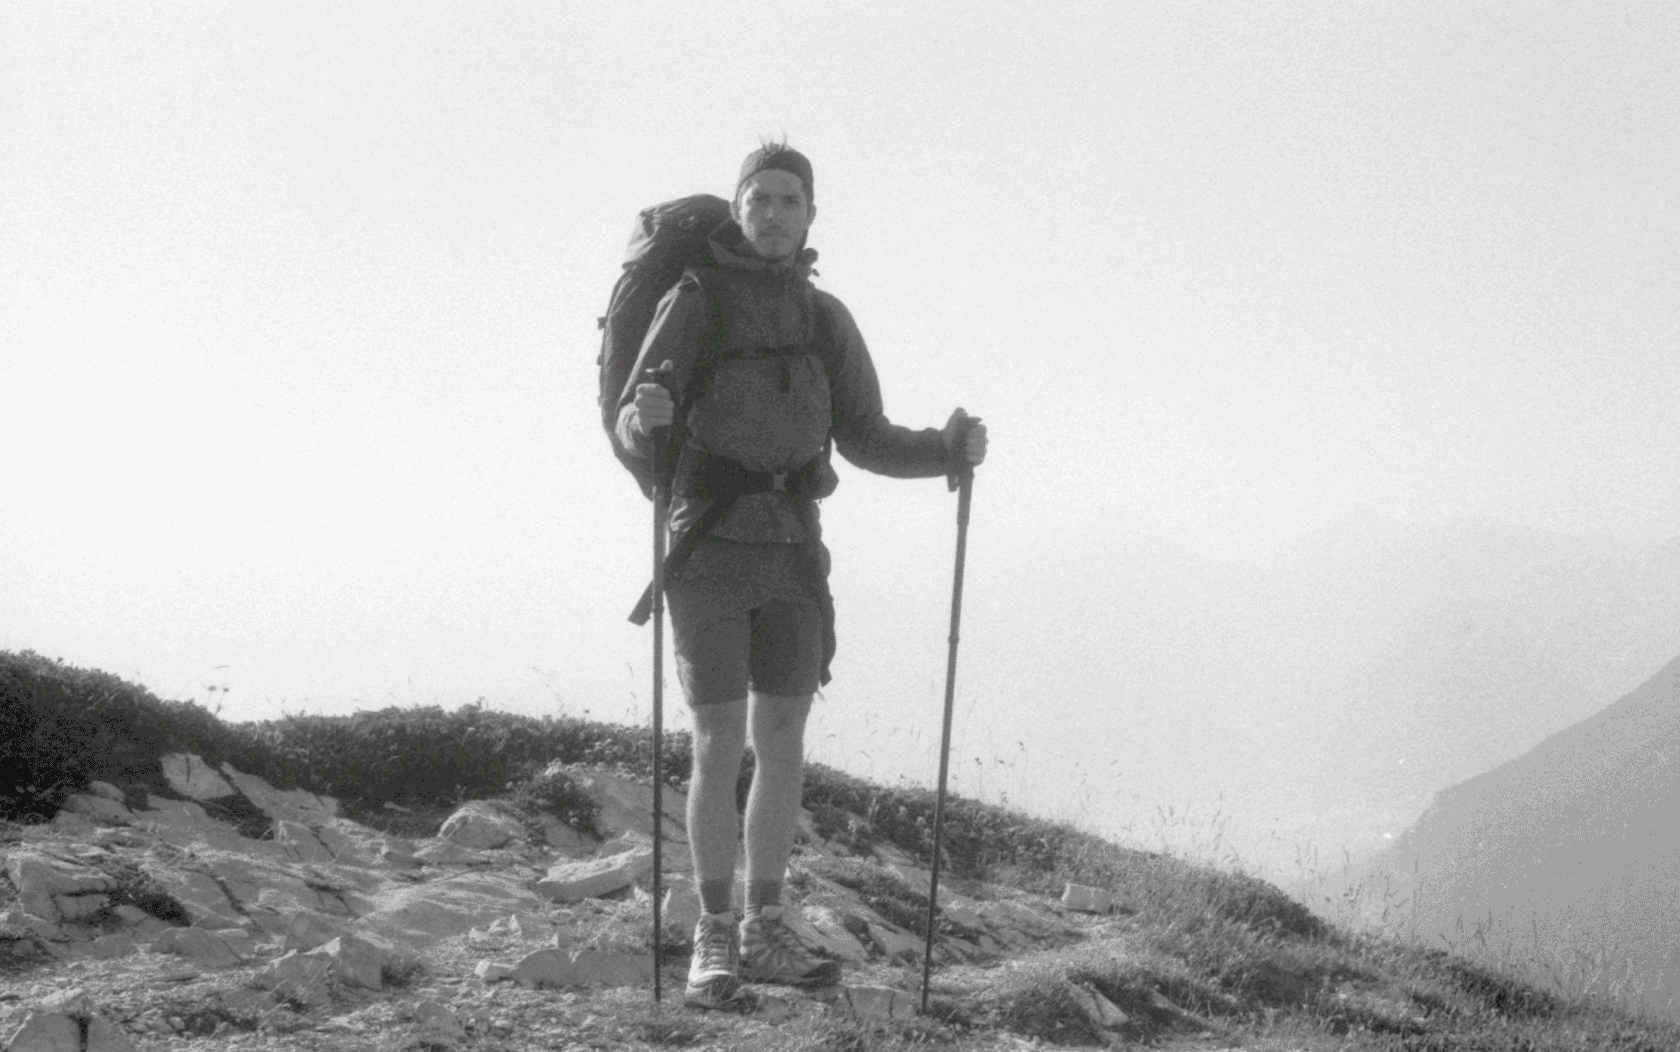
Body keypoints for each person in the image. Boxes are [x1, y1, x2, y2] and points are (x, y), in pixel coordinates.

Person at [614, 140, 988, 1008]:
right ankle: (713, 933)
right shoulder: (693, 301)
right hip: (708, 547)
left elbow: (864, 436)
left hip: (792, 549)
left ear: (811, 214)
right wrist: (644, 418)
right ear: (739, 210)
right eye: (760, 199)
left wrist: (946, 451)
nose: (774, 214)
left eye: (789, 201)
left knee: (782, 740)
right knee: (719, 741)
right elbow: (637, 420)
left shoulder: (826, 319)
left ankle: (764, 924)